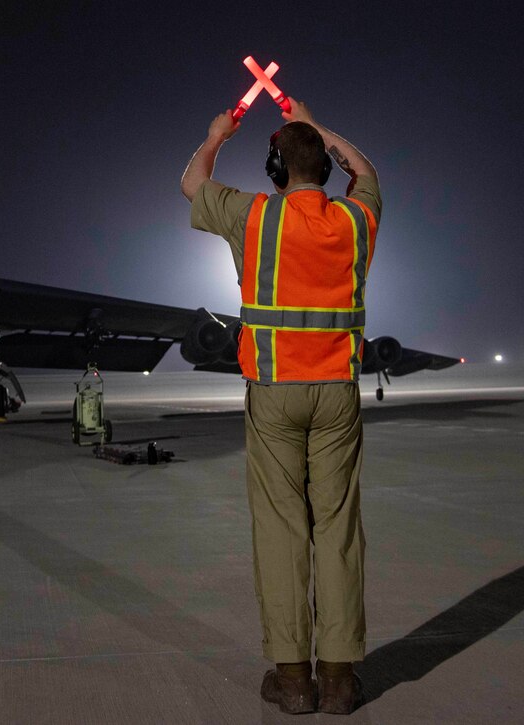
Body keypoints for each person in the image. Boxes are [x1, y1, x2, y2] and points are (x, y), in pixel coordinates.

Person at [180, 100, 380, 715]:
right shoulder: (354, 221)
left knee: (281, 528)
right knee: (337, 527)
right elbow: (368, 171)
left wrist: (216, 136)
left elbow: (191, 184)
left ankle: (294, 680)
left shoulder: (254, 216)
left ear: (273, 168)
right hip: (338, 396)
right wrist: (319, 125)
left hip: (273, 394)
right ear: (327, 166)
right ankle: (341, 680)